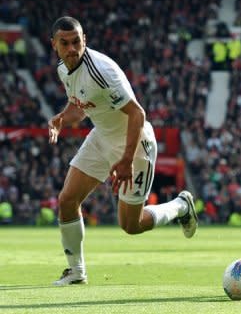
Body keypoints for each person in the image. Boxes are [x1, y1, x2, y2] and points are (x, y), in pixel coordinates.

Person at [48, 16, 198, 286]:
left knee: (131, 225)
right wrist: (62, 117)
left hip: (135, 143)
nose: (72, 49)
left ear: (85, 41)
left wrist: (126, 160)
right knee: (67, 200)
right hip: (101, 136)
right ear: (54, 45)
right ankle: (76, 271)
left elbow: (137, 114)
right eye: (65, 43)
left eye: (76, 42)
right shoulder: (63, 69)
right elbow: (82, 105)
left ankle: (180, 206)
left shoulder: (101, 70)